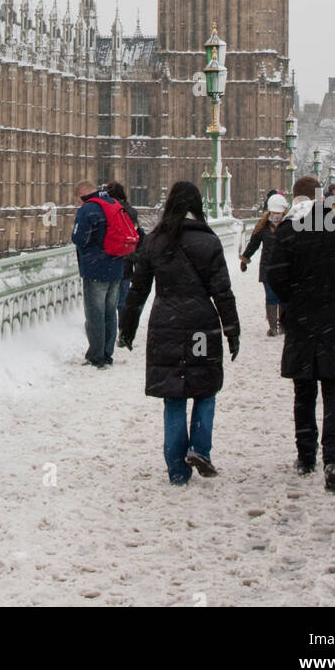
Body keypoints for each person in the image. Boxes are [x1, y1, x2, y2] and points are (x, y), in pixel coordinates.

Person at [117, 180, 240, 484]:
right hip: (201, 326)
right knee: (205, 389)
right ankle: (199, 447)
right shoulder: (209, 242)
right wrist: (232, 329)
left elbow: (138, 291)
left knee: (173, 396)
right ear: (197, 205)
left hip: (166, 323)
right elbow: (222, 292)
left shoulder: (154, 242)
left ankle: (176, 470)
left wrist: (127, 328)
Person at [266, 176, 335, 494]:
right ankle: (333, 460)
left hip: (300, 319)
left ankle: (306, 456)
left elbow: (274, 274)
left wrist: (291, 298)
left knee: (304, 390)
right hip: (334, 319)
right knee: (334, 389)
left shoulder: (288, 230)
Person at [71, 180, 126, 367]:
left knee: (95, 314)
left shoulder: (88, 209)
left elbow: (79, 238)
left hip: (96, 268)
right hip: (117, 266)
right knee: (110, 313)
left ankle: (96, 356)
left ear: (81, 194)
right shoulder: (113, 203)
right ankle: (107, 353)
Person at [240, 192, 289, 335]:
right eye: (273, 212)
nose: (276, 216)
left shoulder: (289, 225)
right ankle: (273, 326)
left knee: (284, 297)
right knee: (271, 295)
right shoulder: (262, 227)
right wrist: (245, 259)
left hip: (285, 268)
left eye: (278, 213)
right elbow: (253, 244)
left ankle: (284, 324)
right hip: (268, 268)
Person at [104, 179, 145, 328]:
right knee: (123, 300)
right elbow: (138, 237)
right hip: (126, 261)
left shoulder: (105, 210)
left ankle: (109, 331)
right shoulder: (131, 211)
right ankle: (123, 328)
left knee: (107, 301)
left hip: (109, 261)